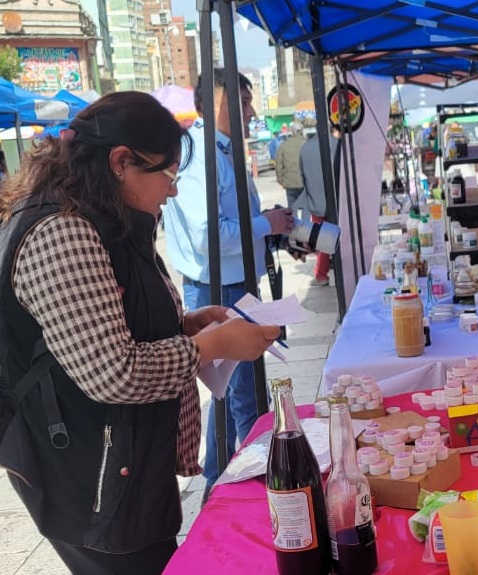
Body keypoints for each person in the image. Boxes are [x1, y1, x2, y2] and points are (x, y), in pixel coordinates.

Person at [0, 92, 281, 574]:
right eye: (167, 173)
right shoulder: (63, 231)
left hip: (118, 463)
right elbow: (116, 372)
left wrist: (184, 325)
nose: (172, 191)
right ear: (120, 162)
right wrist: (212, 345)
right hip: (86, 476)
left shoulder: (102, 216)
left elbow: (103, 325)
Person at [162, 69, 295, 495]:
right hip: (218, 289)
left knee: (237, 393)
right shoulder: (200, 155)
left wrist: (268, 226)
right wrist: (265, 224)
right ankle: (236, 490)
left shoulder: (221, 150)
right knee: (240, 397)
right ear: (218, 101)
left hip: (235, 284)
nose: (251, 112)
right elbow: (210, 237)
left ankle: (225, 484)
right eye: (243, 102)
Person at [298, 117, 339, 287]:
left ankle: (321, 274)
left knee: (323, 239)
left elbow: (302, 177)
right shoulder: (337, 145)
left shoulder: (305, 148)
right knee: (340, 236)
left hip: (316, 202)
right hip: (336, 200)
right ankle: (344, 270)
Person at [275, 124, 306, 210]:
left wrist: (281, 180)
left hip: (289, 181)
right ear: (302, 131)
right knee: (305, 209)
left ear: (291, 132)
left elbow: (278, 164)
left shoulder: (283, 145)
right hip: (305, 182)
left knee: (292, 209)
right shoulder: (306, 143)